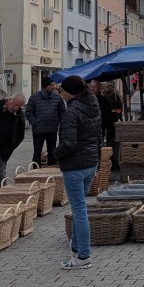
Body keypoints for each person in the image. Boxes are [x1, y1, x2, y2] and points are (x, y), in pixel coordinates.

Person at [54, 75, 101, 270]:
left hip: (75, 166)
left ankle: (83, 256)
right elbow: (98, 134)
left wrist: (55, 154)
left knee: (80, 211)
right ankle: (75, 248)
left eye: (63, 91)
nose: (61, 94)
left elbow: (69, 144)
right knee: (78, 208)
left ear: (71, 92)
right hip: (91, 163)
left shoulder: (71, 112)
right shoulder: (93, 105)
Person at [26, 77, 66, 166]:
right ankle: (35, 171)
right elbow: (29, 112)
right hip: (38, 131)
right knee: (37, 152)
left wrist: (59, 123)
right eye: (51, 85)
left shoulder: (57, 98)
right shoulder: (34, 97)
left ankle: (51, 170)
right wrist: (34, 123)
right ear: (45, 86)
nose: (53, 87)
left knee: (52, 153)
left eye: (53, 84)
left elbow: (62, 112)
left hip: (52, 130)